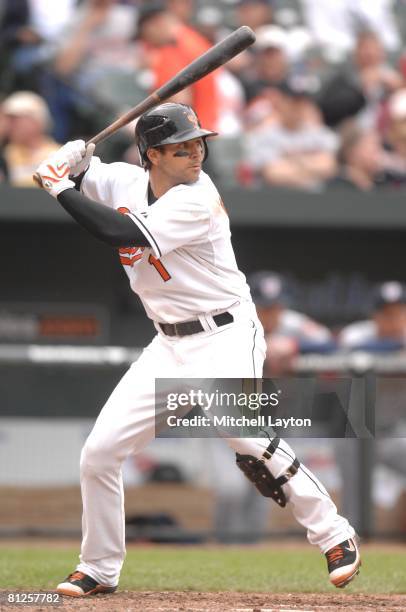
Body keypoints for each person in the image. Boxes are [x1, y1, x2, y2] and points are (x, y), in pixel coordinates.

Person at [34, 102, 360, 597]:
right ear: (152, 155)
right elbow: (88, 179)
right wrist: (73, 163)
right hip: (167, 342)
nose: (195, 153)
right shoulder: (123, 181)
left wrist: (59, 185)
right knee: (99, 453)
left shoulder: (197, 197)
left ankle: (335, 534)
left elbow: (114, 230)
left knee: (243, 432)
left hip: (226, 332)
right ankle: (99, 566)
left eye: (198, 143)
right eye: (180, 147)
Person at [249, 271, 333, 376]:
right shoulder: (242, 324)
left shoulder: (292, 322)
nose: (271, 312)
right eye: (264, 308)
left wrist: (294, 345)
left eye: (275, 306)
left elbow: (328, 342)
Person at [2, 91, 59, 187]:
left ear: (35, 121)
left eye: (15, 120)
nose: (9, 126)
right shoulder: (7, 154)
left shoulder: (58, 155)